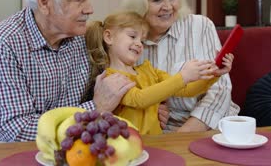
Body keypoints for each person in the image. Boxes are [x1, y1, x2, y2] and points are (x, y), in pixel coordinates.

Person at [0, 0, 135, 144]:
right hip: (11, 152)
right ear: (44, 2)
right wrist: (95, 108)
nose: (90, 9)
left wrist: (143, 106)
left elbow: (109, 88)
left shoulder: (82, 37)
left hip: (71, 146)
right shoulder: (3, 41)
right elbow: (18, 130)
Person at [121, 0, 239, 132]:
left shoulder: (200, 26)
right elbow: (131, 98)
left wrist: (183, 135)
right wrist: (151, 111)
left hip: (209, 125)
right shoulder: (128, 40)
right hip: (156, 131)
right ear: (138, 3)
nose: (168, 7)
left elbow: (219, 90)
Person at [83, 11, 226, 135]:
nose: (139, 43)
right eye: (133, 36)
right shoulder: (110, 79)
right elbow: (140, 99)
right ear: (109, 37)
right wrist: (183, 76)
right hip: (128, 146)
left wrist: (213, 75)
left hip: (156, 143)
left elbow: (186, 90)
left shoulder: (149, 70)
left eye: (142, 40)